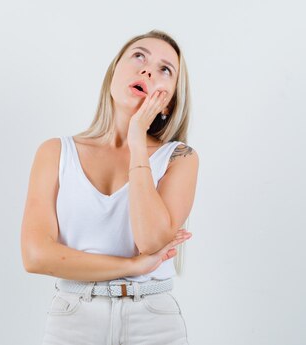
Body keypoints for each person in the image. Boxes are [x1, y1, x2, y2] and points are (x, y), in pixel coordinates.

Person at [20, 29, 199, 345]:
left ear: (169, 103)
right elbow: (36, 256)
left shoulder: (179, 157)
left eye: (164, 69)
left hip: (154, 321)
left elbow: (151, 241)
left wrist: (137, 141)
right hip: (74, 318)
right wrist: (130, 266)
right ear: (114, 72)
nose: (147, 70)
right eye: (139, 56)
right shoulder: (55, 152)